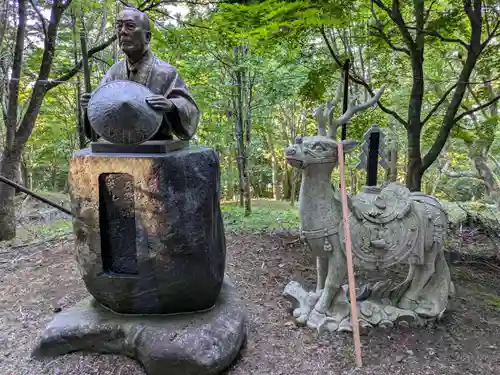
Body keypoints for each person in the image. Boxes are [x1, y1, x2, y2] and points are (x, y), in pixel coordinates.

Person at [80, 8, 200, 141]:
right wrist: (91, 105)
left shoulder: (166, 72)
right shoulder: (114, 72)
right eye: (119, 26)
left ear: (147, 37)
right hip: (121, 145)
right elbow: (100, 114)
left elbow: (189, 109)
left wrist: (171, 106)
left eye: (130, 26)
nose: (123, 32)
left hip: (157, 144)